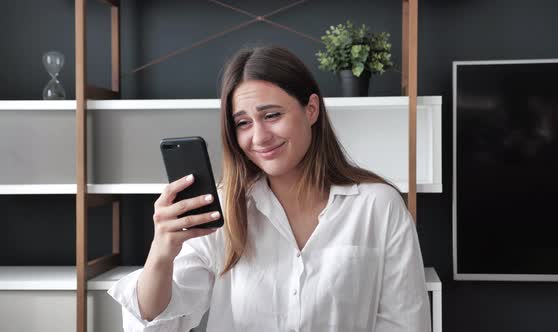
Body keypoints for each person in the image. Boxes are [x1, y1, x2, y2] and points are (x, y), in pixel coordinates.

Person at [108, 45, 431, 332]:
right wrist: (162, 250)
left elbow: (406, 322)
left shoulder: (378, 206)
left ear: (311, 109)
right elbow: (158, 323)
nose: (259, 137)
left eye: (272, 115)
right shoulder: (222, 209)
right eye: (243, 123)